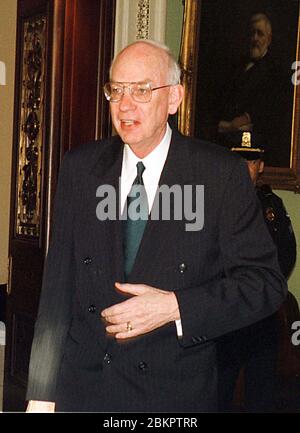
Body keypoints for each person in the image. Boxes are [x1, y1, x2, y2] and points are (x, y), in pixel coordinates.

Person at [26, 40, 287, 412]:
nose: (124, 104)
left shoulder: (218, 175)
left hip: (171, 396)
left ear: (175, 98)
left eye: (141, 90)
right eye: (115, 90)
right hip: (83, 392)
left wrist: (175, 307)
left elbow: (264, 284)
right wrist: (41, 393)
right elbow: (56, 292)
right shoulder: (81, 167)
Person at [217, 131, 297, 412]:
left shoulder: (271, 206)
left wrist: (261, 294)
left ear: (260, 166)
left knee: (261, 396)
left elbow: (286, 255)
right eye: (238, 160)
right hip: (224, 317)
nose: (244, 168)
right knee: (218, 394)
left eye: (250, 162)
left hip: (261, 316)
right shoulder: (212, 204)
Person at [217, 13, 286, 166]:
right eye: (252, 33)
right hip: (227, 143)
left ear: (269, 39)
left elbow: (271, 107)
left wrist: (246, 118)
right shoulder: (236, 66)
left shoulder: (275, 71)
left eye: (260, 34)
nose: (255, 38)